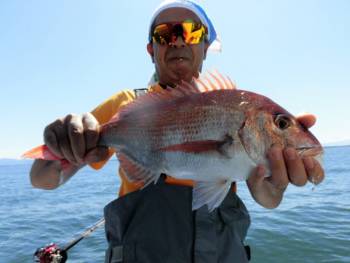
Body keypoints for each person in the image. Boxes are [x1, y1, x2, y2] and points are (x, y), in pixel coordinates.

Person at [29, 1, 325, 262]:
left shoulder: (233, 104)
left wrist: (273, 187)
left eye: (191, 32)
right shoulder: (128, 105)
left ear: (205, 46)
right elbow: (42, 179)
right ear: (151, 49)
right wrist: (63, 141)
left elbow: (267, 199)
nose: (178, 41)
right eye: (165, 34)